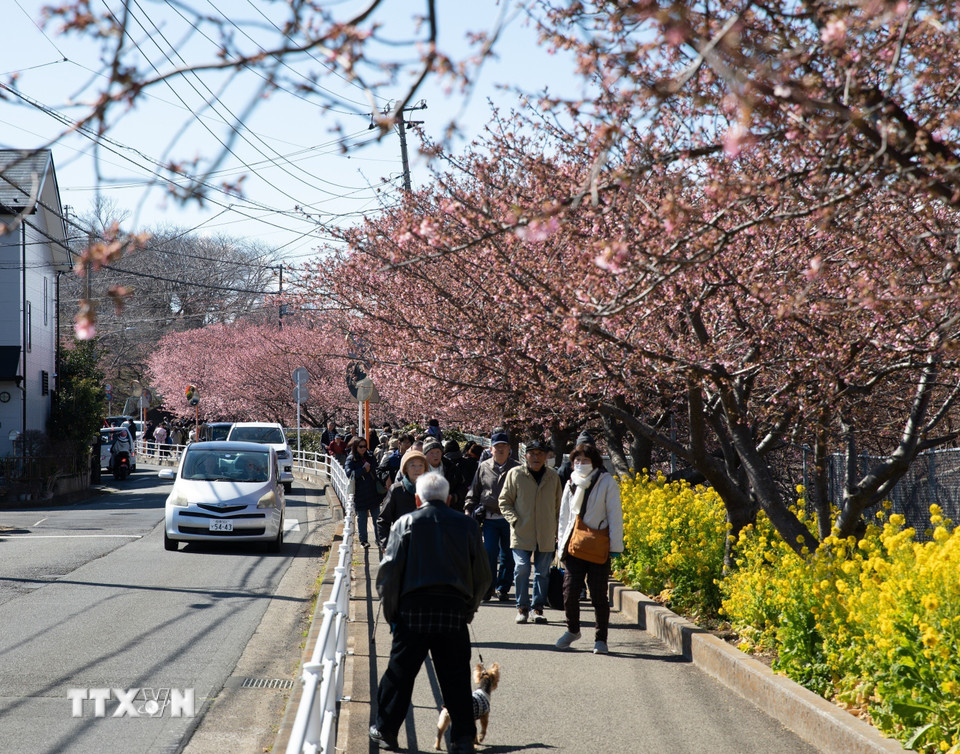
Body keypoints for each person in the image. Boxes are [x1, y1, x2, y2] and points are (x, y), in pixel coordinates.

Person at [370, 473, 491, 754]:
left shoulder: (405, 523)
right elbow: (484, 577)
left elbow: (388, 575)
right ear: (449, 499)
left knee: (399, 676)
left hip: (413, 611)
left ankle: (386, 731)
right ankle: (462, 740)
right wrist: (468, 609)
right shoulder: (468, 526)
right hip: (453, 611)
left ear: (416, 499)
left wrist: (393, 616)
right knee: (456, 679)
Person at [555, 443, 624, 654]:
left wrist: (615, 546)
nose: (580, 464)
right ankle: (573, 629)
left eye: (585, 460)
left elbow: (615, 515)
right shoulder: (570, 483)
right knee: (569, 592)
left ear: (594, 462)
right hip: (574, 546)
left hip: (598, 547)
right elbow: (564, 518)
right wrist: (560, 547)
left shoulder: (606, 483)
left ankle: (600, 639)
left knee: (598, 596)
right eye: (577, 460)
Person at [498, 439, 562, 625]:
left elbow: (559, 506)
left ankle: (537, 608)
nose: (536, 457)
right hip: (521, 531)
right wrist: (515, 520)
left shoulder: (553, 476)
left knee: (543, 572)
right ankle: (522, 607)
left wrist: (558, 529)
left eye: (540, 453)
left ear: (546, 456)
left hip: (546, 532)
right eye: (532, 453)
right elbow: (504, 501)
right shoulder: (515, 474)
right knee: (522, 568)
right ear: (525, 455)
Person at [464, 432, 519, 602]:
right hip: (489, 518)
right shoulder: (484, 467)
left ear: (509, 449)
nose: (500, 449)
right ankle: (488, 589)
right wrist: (468, 509)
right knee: (489, 553)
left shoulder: (517, 468)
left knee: (508, 556)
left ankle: (503, 588)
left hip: (510, 519)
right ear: (491, 449)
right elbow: (475, 490)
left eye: (504, 446)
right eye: (497, 447)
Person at [375, 448, 427, 549]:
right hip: (401, 545)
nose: (417, 469)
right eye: (413, 465)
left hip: (425, 546)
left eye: (421, 465)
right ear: (405, 468)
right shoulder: (396, 489)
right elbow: (383, 520)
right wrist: (386, 545)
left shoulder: (431, 489)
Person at [344, 436, 381, 548]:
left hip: (373, 490)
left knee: (377, 517)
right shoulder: (351, 458)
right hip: (360, 492)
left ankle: (379, 539)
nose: (363, 448)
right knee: (362, 518)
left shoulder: (370, 456)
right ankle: (363, 540)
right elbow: (349, 473)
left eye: (365, 446)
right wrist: (363, 470)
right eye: (360, 446)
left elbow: (376, 468)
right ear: (355, 446)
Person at [423, 438, 465, 511]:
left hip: (449, 508)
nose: (435, 455)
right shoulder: (420, 468)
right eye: (431, 453)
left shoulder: (451, 467)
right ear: (425, 455)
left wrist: (455, 497)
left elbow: (462, 486)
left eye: (438, 452)